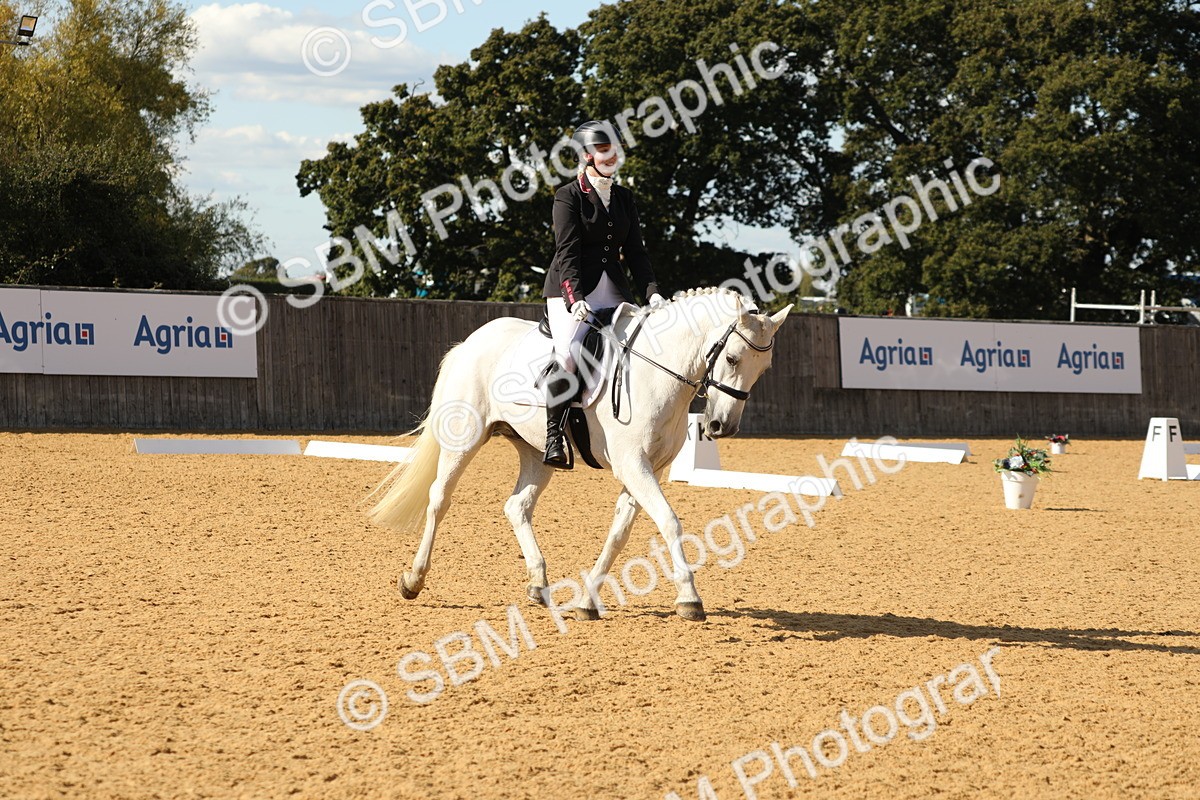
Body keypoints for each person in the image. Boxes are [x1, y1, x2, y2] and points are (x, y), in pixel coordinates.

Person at [540, 120, 665, 469]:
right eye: (603, 150)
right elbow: (567, 252)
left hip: (613, 289)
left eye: (615, 150)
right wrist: (574, 296)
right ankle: (554, 437)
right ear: (586, 155)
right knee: (568, 355)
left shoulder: (624, 197)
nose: (611, 156)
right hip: (570, 290)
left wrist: (653, 293)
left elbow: (637, 253)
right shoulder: (568, 196)